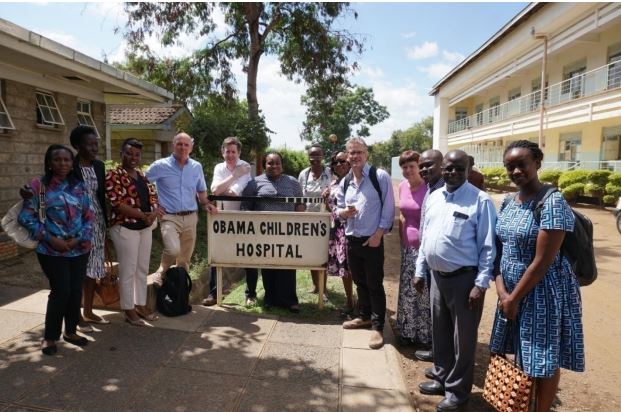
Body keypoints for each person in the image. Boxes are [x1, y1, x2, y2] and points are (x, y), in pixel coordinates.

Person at [490, 140, 584, 412]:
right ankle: (520, 403)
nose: (516, 170)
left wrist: (513, 298)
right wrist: (502, 291)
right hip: (509, 291)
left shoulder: (552, 202)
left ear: (537, 164)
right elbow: (500, 249)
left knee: (543, 357)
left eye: (522, 164)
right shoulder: (509, 201)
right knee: (518, 352)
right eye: (510, 166)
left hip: (542, 292)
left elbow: (543, 262)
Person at [414, 149, 497, 412]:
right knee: (440, 333)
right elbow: (426, 237)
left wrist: (480, 284)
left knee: (463, 341)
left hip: (465, 281)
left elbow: (488, 248)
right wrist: (420, 270)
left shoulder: (480, 201)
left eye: (458, 169)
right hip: (438, 278)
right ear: (443, 168)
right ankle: (441, 376)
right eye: (448, 168)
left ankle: (458, 394)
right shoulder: (435, 196)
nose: (452, 172)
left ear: (468, 170)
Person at [18, 144, 93, 355]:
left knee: (75, 290)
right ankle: (50, 337)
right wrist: (50, 238)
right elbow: (25, 217)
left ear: (72, 164)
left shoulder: (80, 186)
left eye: (67, 160)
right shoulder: (38, 186)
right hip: (51, 250)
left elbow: (89, 217)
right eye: (57, 160)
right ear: (49, 163)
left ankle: (70, 331)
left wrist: (78, 240)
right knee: (61, 290)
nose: (62, 164)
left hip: (79, 248)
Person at [336, 137, 395, 350]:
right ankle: (364, 316)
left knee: (374, 284)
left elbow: (388, 208)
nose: (355, 156)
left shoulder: (379, 176)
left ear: (366, 154)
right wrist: (343, 212)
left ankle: (378, 327)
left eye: (359, 152)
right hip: (353, 239)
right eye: (351, 152)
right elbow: (338, 207)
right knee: (360, 282)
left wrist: (379, 233)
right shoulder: (345, 181)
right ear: (347, 154)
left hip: (372, 240)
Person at [145, 132, 217, 283]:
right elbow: (142, 184)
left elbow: (201, 191)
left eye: (186, 144)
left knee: (184, 260)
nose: (183, 147)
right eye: (179, 144)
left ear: (191, 148)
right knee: (172, 249)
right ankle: (162, 271)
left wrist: (207, 204)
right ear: (173, 145)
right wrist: (153, 205)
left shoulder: (196, 167)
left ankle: (181, 293)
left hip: (191, 217)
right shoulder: (160, 166)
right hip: (169, 216)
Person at [241, 152, 305, 313]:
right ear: (264, 165)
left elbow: (300, 204)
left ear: (282, 165)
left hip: (288, 232)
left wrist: (299, 219)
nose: (274, 166)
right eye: (270, 163)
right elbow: (246, 207)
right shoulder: (254, 183)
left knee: (288, 264)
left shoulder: (293, 182)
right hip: (263, 233)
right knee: (268, 265)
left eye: (277, 163)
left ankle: (290, 300)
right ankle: (270, 298)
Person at [106, 138, 159, 326]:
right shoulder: (113, 175)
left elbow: (153, 196)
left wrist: (153, 213)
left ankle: (140, 304)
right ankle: (128, 309)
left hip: (144, 228)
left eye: (137, 154)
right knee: (128, 269)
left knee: (142, 267)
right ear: (121, 154)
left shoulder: (142, 176)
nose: (133, 157)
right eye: (129, 153)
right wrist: (143, 216)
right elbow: (117, 204)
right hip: (125, 227)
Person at [202, 136, 255, 306]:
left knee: (249, 257)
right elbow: (215, 190)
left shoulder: (245, 166)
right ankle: (213, 294)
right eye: (227, 151)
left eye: (234, 152)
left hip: (243, 219)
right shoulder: (220, 167)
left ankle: (251, 294)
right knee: (216, 256)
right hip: (222, 219)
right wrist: (235, 175)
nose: (230, 155)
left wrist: (233, 178)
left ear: (239, 152)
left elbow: (233, 192)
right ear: (222, 152)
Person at [70, 126, 110, 330]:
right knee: (79, 269)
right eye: (89, 144)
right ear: (77, 146)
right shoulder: (70, 166)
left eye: (96, 144)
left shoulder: (99, 166)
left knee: (93, 269)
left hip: (98, 222)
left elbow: (101, 196)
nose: (94, 148)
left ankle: (88, 310)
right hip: (77, 225)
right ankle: (75, 315)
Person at [412, 148, 444, 363]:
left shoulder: (445, 191)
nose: (424, 169)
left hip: (449, 268)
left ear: (441, 165)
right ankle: (438, 353)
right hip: (430, 261)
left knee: (445, 316)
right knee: (437, 313)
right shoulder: (431, 189)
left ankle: (443, 357)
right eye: (421, 165)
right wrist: (421, 268)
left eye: (429, 165)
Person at [395, 150, 430, 347]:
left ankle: (425, 335)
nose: (408, 170)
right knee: (408, 290)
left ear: (419, 166)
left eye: (412, 166)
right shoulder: (402, 186)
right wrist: (403, 241)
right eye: (404, 167)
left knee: (423, 292)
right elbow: (402, 215)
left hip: (425, 250)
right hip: (408, 249)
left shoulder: (429, 188)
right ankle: (408, 332)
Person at [299, 143, 332, 300]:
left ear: (323, 157)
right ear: (308, 157)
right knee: (311, 254)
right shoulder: (303, 175)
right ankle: (315, 285)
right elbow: (299, 197)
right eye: (312, 156)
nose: (315, 159)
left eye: (318, 156)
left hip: (325, 221)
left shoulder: (331, 174)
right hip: (308, 221)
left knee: (322, 255)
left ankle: (323, 289)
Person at [323, 150, 354, 316]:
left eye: (343, 161)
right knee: (345, 269)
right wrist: (325, 199)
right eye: (336, 162)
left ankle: (363, 302)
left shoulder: (356, 181)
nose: (340, 164)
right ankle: (350, 301)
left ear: (349, 162)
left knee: (358, 269)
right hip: (338, 231)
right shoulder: (333, 184)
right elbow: (331, 209)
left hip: (355, 229)